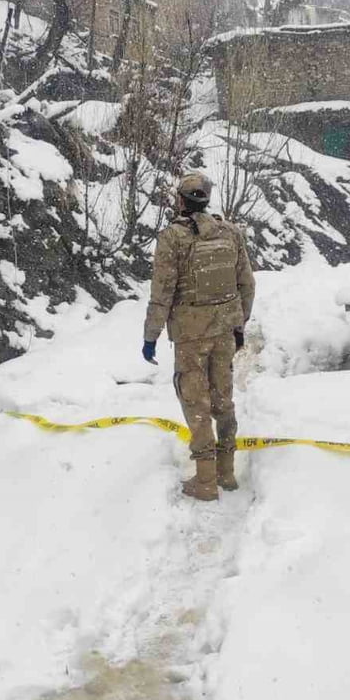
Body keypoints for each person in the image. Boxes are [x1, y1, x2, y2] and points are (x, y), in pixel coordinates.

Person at [143, 173, 256, 501]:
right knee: (223, 396)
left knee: (195, 401)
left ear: (180, 200)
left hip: (190, 335)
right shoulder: (231, 233)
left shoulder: (172, 238)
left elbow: (161, 294)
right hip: (224, 331)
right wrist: (238, 322)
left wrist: (151, 336)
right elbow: (247, 284)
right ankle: (227, 470)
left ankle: (205, 481)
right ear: (206, 199)